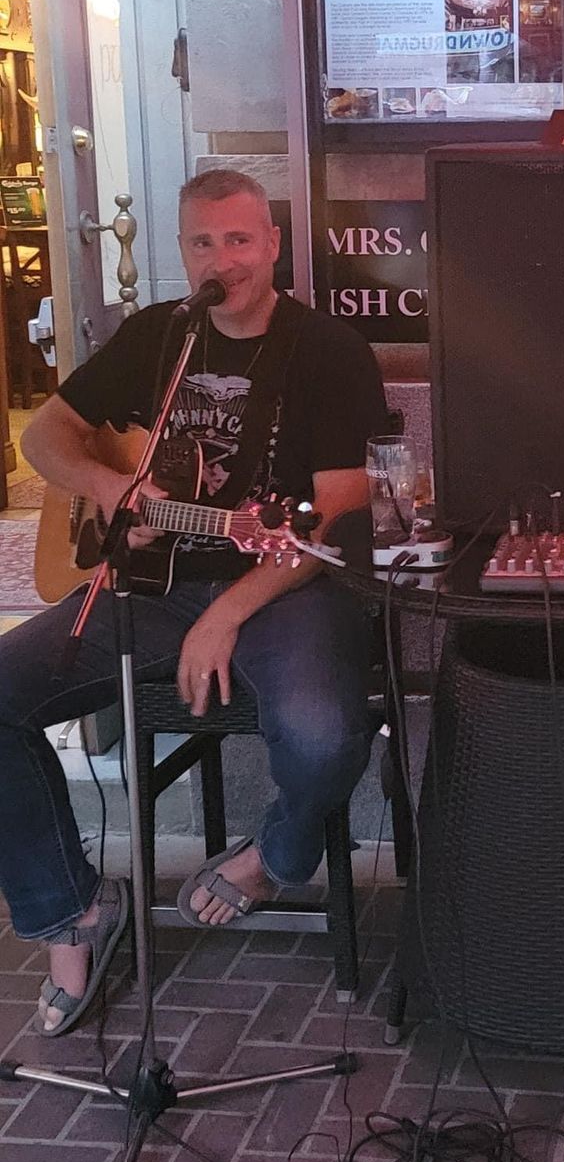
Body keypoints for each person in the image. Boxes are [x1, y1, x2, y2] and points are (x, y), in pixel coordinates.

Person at [0, 168, 388, 1037]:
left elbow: (333, 514)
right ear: (182, 251)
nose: (223, 260)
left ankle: (272, 856)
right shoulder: (159, 338)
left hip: (285, 588)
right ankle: (73, 910)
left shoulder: (325, 350)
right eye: (204, 243)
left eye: (240, 239)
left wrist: (226, 612)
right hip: (153, 586)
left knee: (327, 734)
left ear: (274, 243)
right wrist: (111, 488)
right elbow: (44, 434)